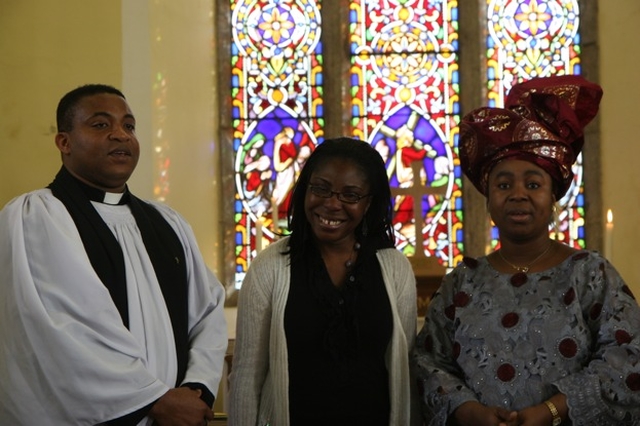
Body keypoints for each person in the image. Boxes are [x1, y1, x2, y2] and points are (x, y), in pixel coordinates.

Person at [414, 75, 640, 426]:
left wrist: (550, 411)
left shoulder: (589, 273)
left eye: (533, 184)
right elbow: (428, 362)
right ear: (489, 200)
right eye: (503, 184)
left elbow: (628, 358)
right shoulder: (462, 282)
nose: (518, 194)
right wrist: (468, 410)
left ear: (553, 198)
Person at [0, 84, 228, 425]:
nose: (120, 135)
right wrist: (155, 400)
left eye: (130, 126)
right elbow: (62, 330)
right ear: (64, 142)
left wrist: (195, 389)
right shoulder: (35, 217)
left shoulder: (167, 223)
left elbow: (207, 312)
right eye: (101, 125)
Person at [228, 137, 420, 426]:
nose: (331, 204)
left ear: (369, 203)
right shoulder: (269, 268)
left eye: (350, 195)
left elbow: (406, 371)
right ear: (305, 189)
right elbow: (246, 375)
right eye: (321, 189)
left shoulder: (394, 268)